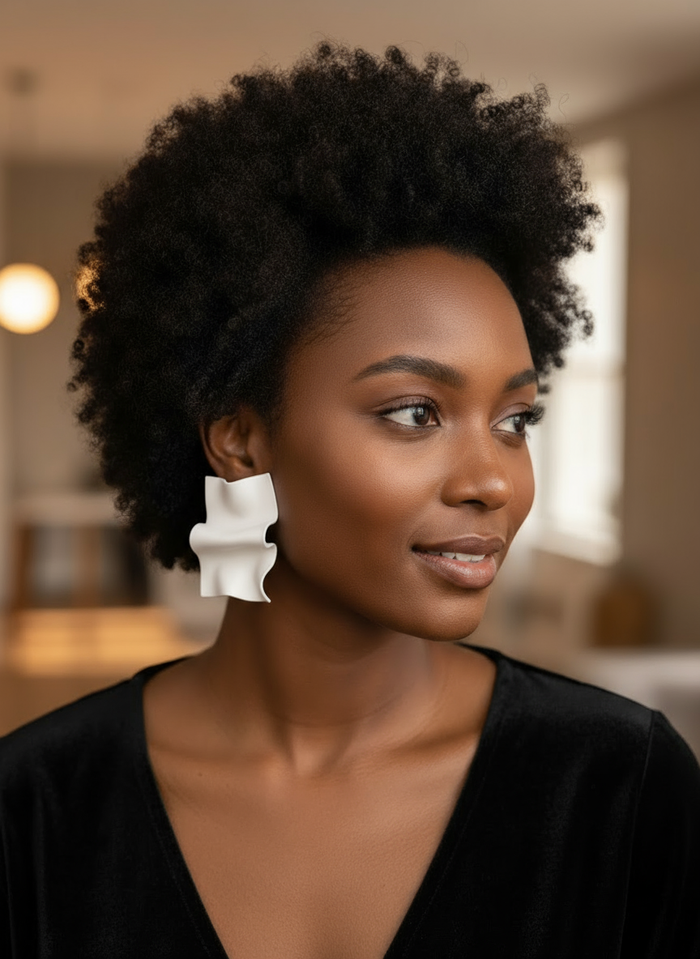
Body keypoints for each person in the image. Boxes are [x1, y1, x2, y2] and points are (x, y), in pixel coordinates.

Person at [1, 42, 699, 959]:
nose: (493, 480)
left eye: (516, 418)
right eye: (416, 411)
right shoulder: (36, 808)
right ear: (240, 436)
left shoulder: (622, 788)